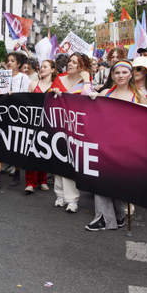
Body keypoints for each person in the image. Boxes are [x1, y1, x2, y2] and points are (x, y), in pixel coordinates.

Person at [83, 61, 138, 230]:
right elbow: (84, 101)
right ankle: (104, 218)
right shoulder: (106, 92)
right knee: (100, 180)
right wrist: (91, 95)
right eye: (117, 73)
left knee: (117, 182)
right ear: (112, 75)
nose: (120, 75)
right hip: (104, 143)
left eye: (124, 72)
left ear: (130, 75)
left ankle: (120, 215)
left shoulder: (138, 96)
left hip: (126, 146)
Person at [47, 52, 94, 212]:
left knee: (70, 162)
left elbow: (87, 98)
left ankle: (72, 199)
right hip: (57, 124)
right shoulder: (59, 78)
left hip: (75, 127)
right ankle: (59, 195)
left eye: (75, 62)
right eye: (70, 61)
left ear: (82, 66)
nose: (70, 64)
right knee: (58, 160)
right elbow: (50, 98)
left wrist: (87, 79)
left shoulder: (84, 81)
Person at [0, 51, 31, 189]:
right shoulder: (0, 76)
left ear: (19, 64)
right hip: (1, 114)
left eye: (12, 60)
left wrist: (14, 95)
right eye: (8, 60)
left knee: (15, 145)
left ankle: (17, 172)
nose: (9, 62)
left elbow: (27, 97)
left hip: (16, 115)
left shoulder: (23, 78)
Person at [22, 59, 56, 194]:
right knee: (31, 151)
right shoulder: (33, 83)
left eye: (45, 67)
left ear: (52, 70)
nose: (42, 69)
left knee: (44, 151)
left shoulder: (55, 86)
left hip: (48, 122)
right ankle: (30, 182)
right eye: (41, 67)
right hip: (33, 121)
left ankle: (42, 180)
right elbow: (26, 101)